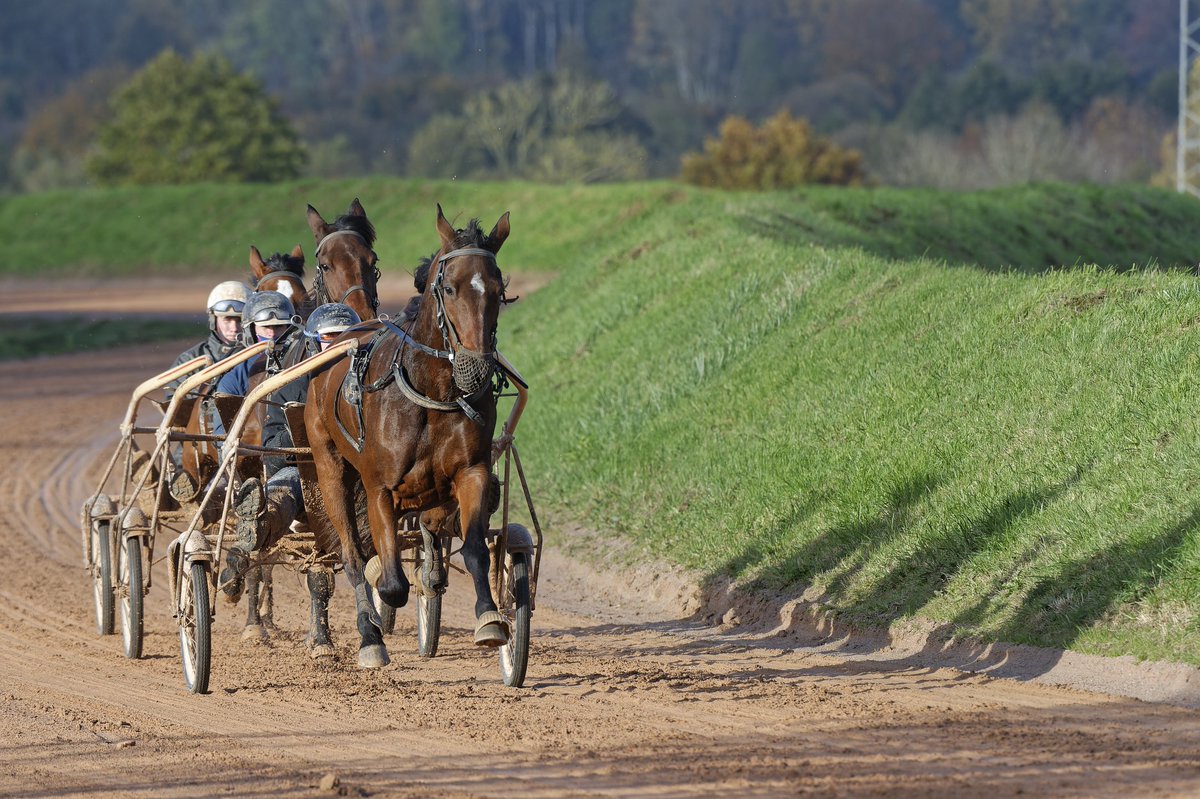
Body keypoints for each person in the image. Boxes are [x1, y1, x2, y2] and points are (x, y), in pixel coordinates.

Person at [221, 302, 361, 599]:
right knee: (286, 485)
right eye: (329, 337)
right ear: (313, 340)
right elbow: (272, 442)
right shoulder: (292, 380)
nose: (336, 344)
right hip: (300, 469)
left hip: (357, 472)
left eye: (344, 336)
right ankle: (258, 522)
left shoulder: (365, 380)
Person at [164, 280, 248, 399]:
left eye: (240, 320)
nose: (234, 328)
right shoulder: (190, 360)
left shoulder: (260, 357)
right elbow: (174, 408)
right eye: (227, 320)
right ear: (213, 320)